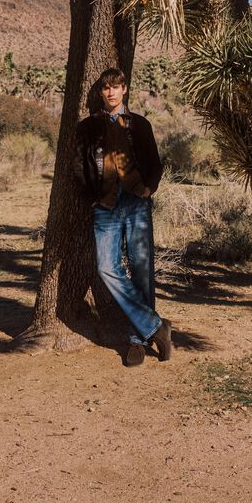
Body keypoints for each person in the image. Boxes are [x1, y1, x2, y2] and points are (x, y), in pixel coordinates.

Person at [73, 67, 172, 367]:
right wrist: (90, 198)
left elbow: (155, 163)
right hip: (105, 205)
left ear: (124, 89)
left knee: (142, 269)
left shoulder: (140, 124)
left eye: (116, 87)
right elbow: (79, 168)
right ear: (101, 92)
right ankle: (156, 326)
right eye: (106, 88)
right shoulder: (88, 128)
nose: (111, 92)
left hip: (136, 203)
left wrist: (148, 189)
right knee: (106, 267)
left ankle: (137, 340)